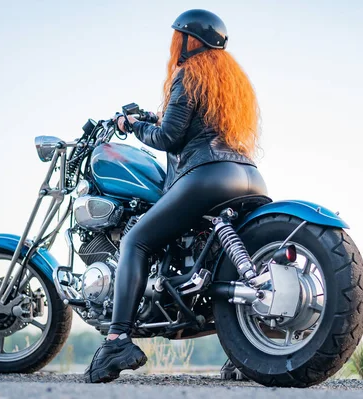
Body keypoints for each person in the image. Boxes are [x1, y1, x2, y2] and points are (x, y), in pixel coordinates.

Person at [85, 9, 268, 383]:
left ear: (190, 39)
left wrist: (134, 126)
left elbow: (169, 138)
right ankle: (248, 347)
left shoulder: (188, 73)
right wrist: (155, 117)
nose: (174, 44)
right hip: (248, 176)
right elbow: (187, 124)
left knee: (136, 240)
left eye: (177, 37)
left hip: (205, 177)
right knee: (220, 260)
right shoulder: (230, 83)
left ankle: (117, 339)